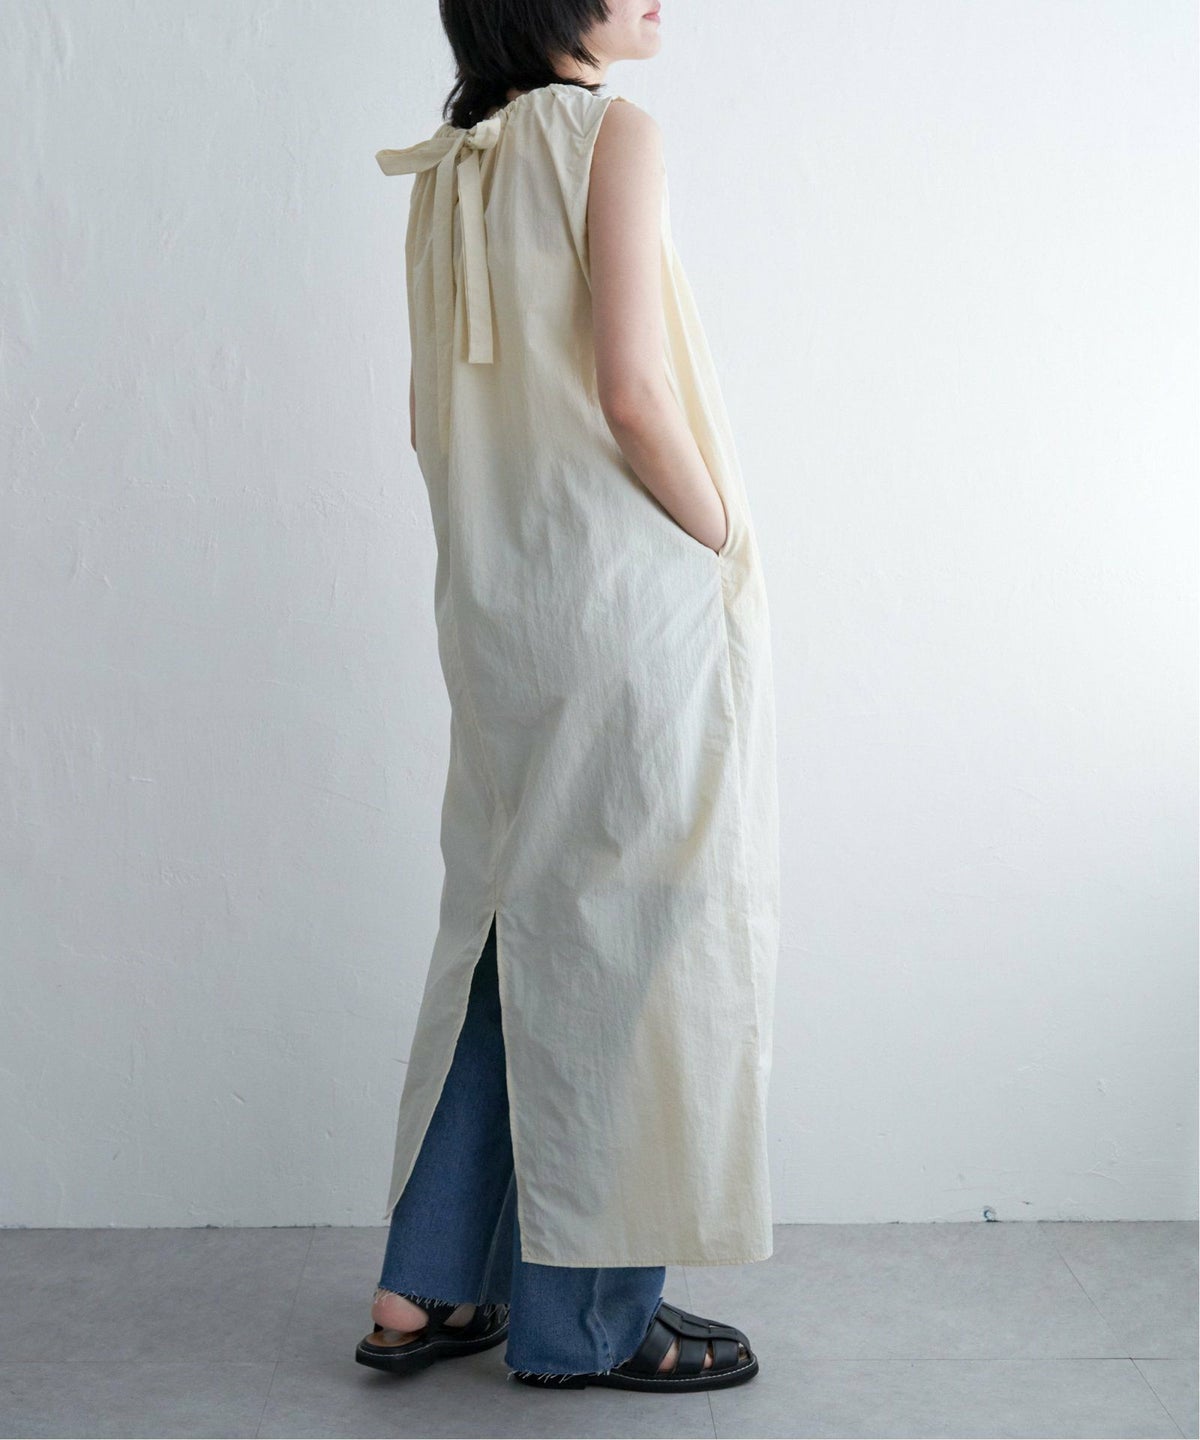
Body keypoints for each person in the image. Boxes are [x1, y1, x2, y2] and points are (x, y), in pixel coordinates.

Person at [356, 0, 779, 1393]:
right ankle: (586, 1324)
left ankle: (421, 1288)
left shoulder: (450, 166)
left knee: (507, 927)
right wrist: (726, 537)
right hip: (622, 600)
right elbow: (635, 391)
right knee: (623, 949)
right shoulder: (609, 134)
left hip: (501, 606)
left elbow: (427, 420)